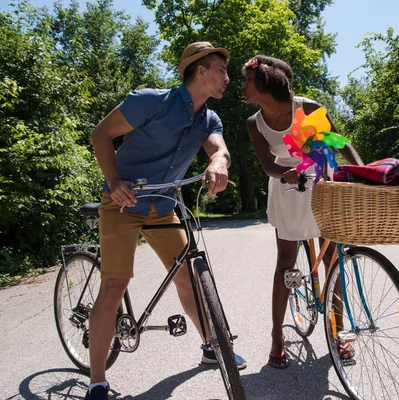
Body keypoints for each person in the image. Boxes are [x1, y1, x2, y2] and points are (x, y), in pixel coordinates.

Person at [85, 42, 246, 400]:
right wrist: (113, 182)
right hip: (122, 203)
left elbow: (219, 149)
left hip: (162, 204)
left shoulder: (209, 119)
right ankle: (97, 382)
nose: (227, 77)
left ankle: (211, 346)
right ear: (200, 71)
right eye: (220, 69)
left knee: (190, 277)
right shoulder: (150, 101)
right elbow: (101, 133)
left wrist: (219, 162)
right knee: (115, 285)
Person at [241, 55, 363, 369]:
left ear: (264, 86)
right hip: (286, 187)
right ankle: (277, 337)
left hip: (321, 182)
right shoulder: (254, 123)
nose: (242, 87)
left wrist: (362, 172)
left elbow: (338, 143)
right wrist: (284, 172)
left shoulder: (306, 108)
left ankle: (338, 332)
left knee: (333, 261)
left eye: (247, 81)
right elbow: (267, 164)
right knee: (284, 261)